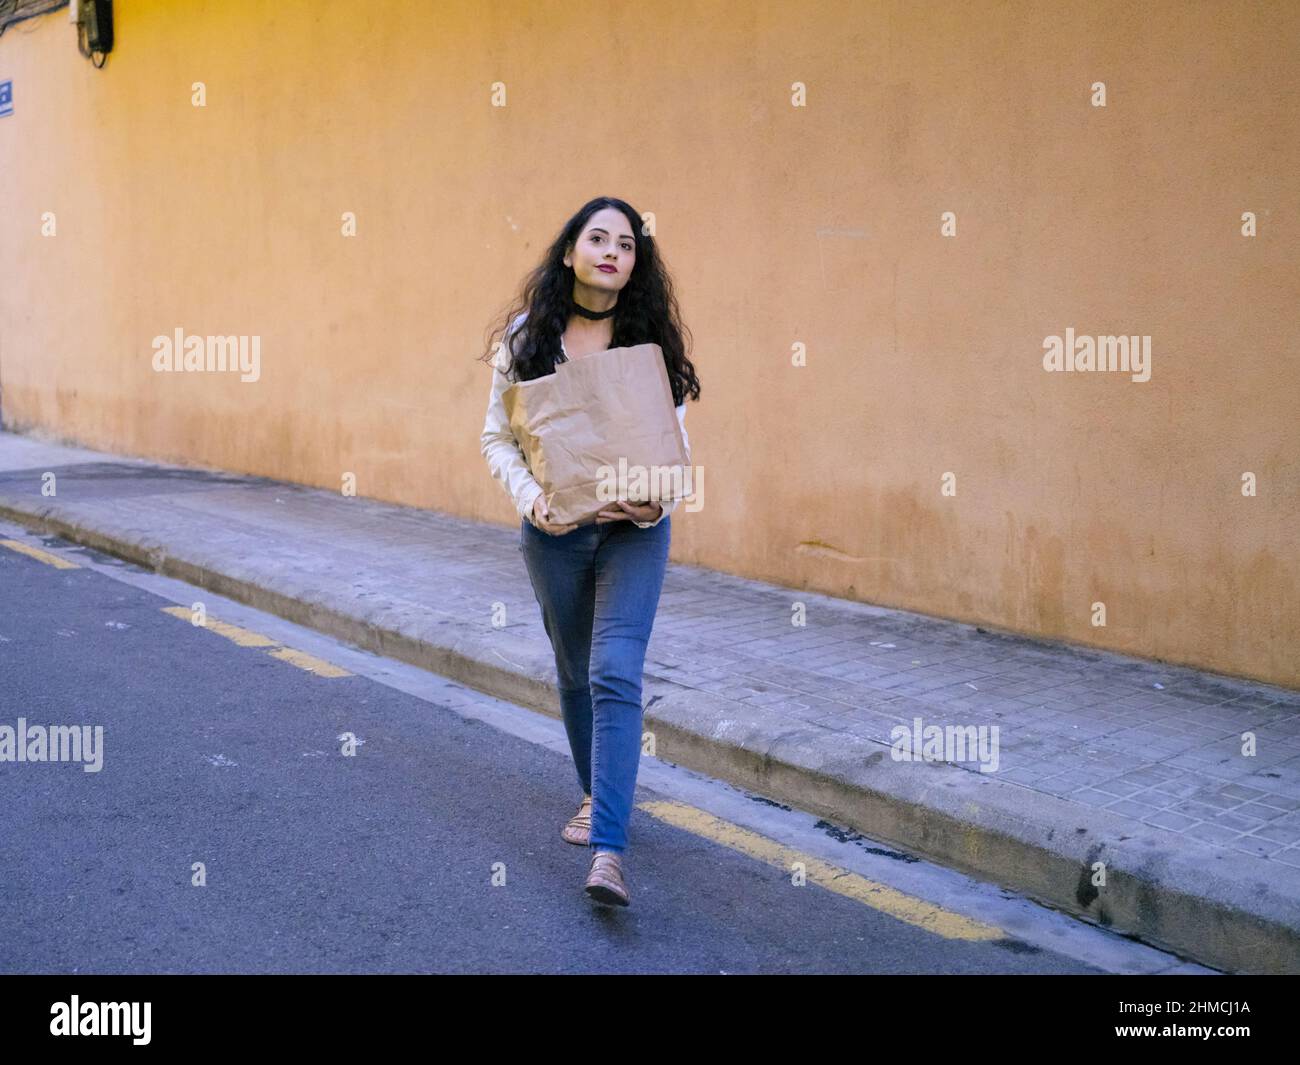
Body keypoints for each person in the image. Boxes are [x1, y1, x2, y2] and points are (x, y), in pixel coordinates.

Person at [479, 197, 700, 907]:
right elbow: (497, 439)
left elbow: (677, 448)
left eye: (627, 244)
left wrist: (658, 501)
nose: (612, 251)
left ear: (637, 262)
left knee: (614, 669)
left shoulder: (649, 341)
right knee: (575, 671)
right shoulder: (526, 337)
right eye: (597, 238)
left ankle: (608, 850)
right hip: (557, 532)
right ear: (570, 251)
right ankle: (590, 790)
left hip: (634, 532)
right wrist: (533, 501)